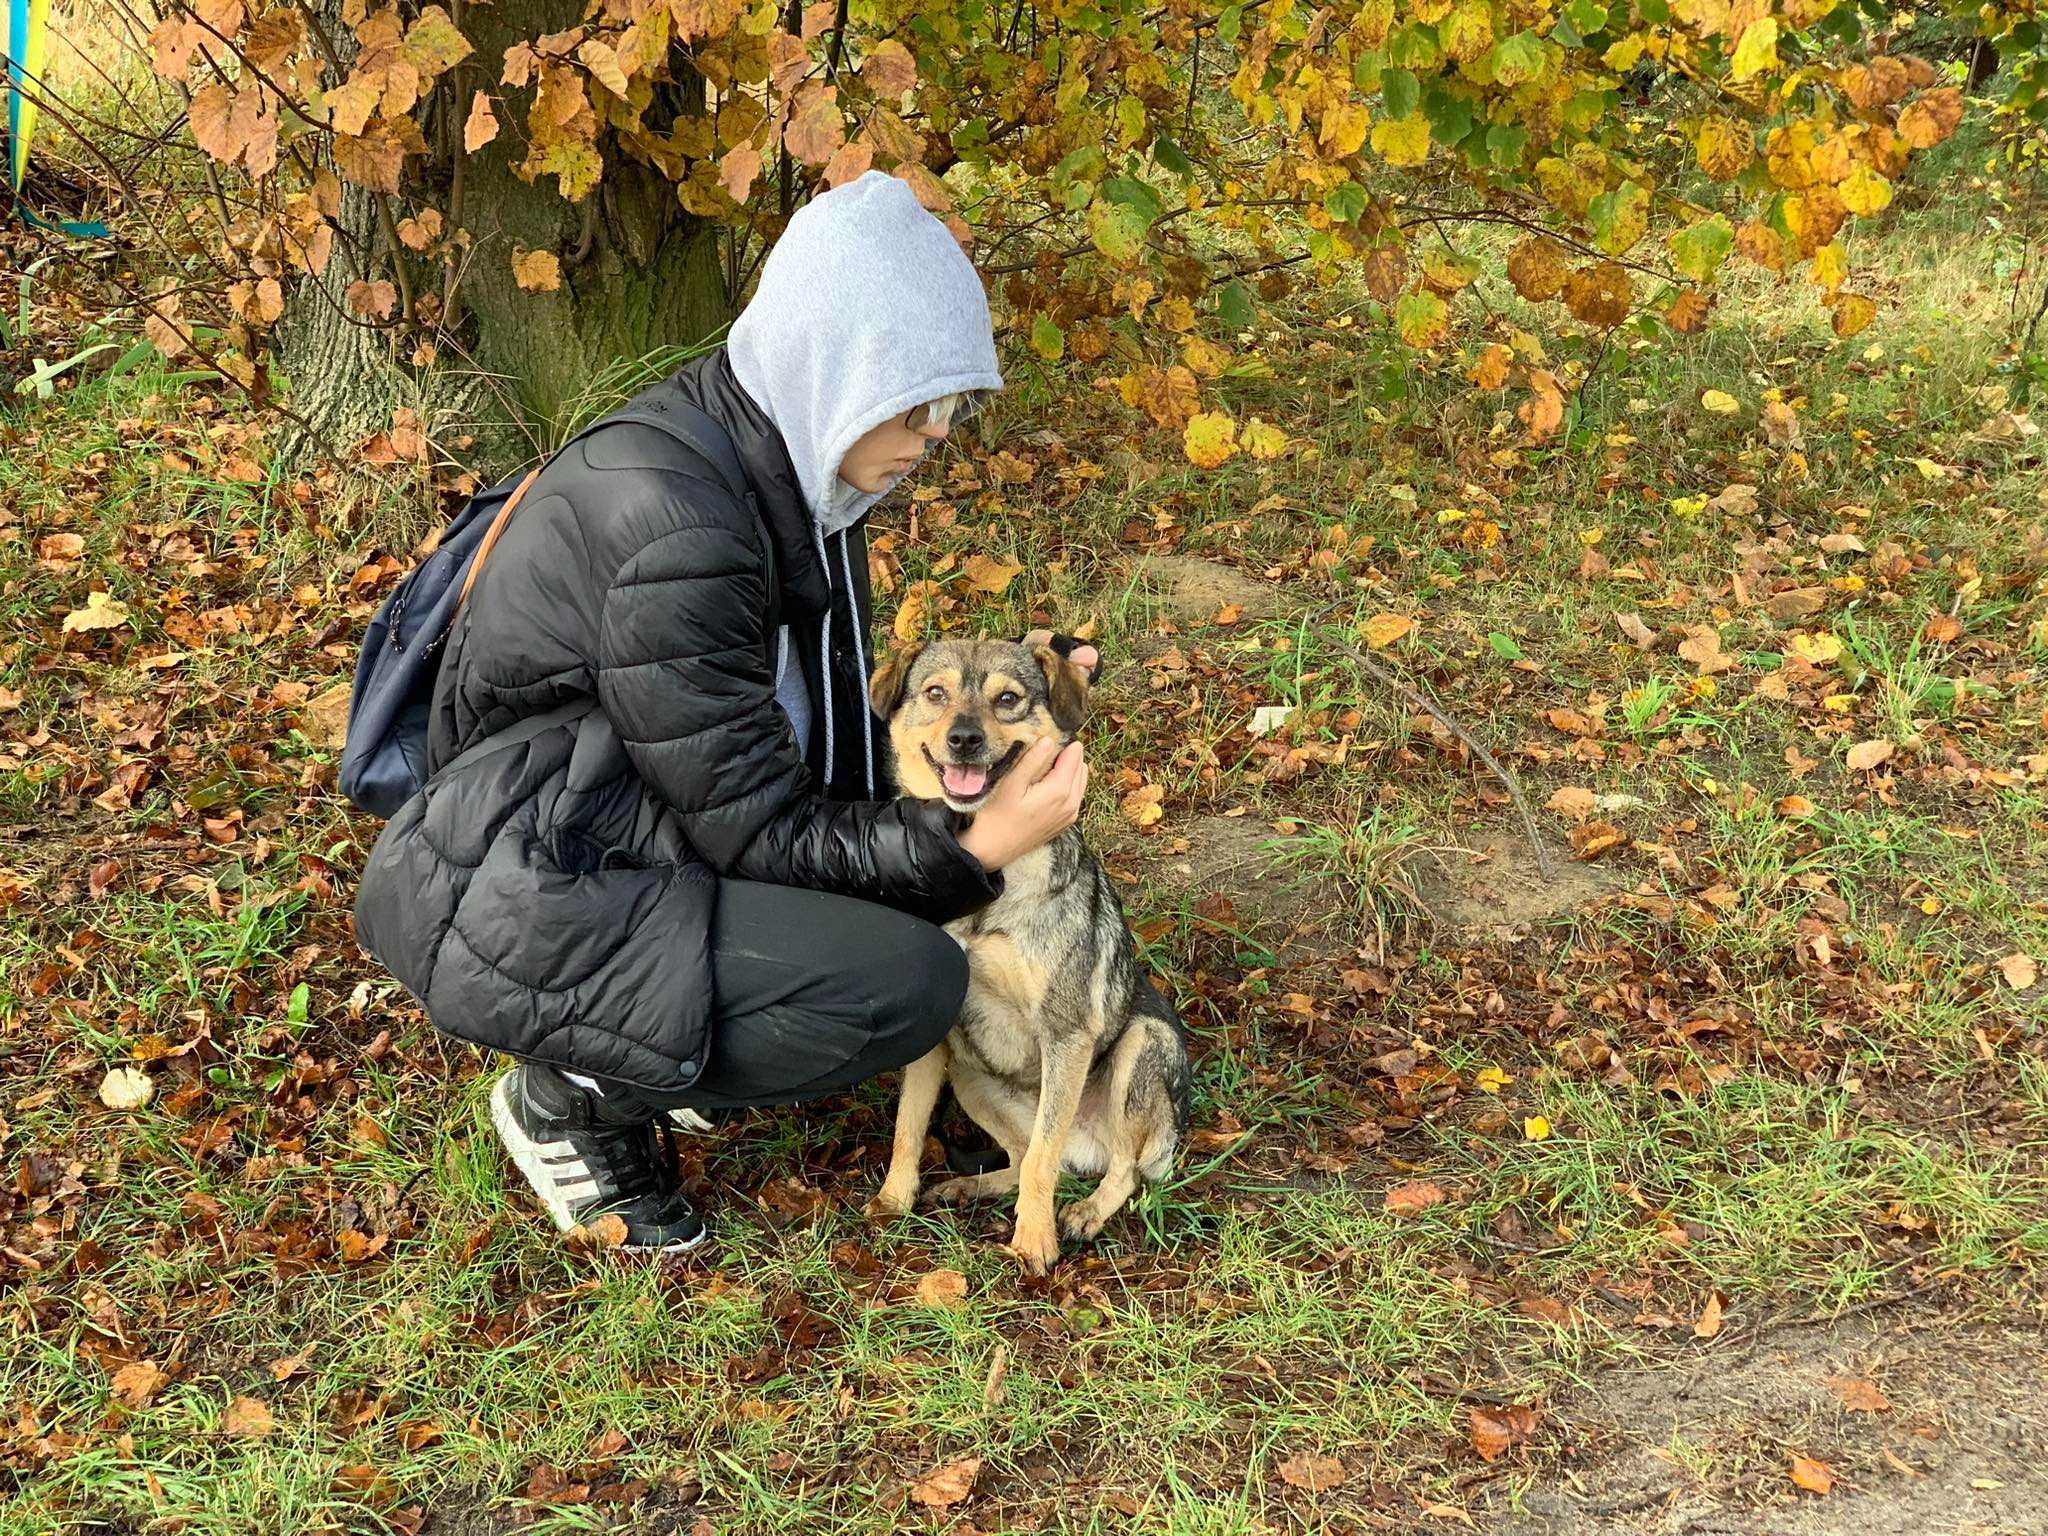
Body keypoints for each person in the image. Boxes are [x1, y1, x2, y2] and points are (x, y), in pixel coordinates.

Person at [354, 171, 1093, 1253]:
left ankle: (683, 1026)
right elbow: (755, 825)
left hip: (619, 810)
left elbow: (816, 732)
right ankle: (572, 1094)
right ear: (831, 366)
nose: (935, 433)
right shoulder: (678, 529)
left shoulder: (792, 457)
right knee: (909, 978)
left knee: (896, 908)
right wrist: (974, 844)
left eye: (948, 405)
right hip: (535, 870)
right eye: (912, 401)